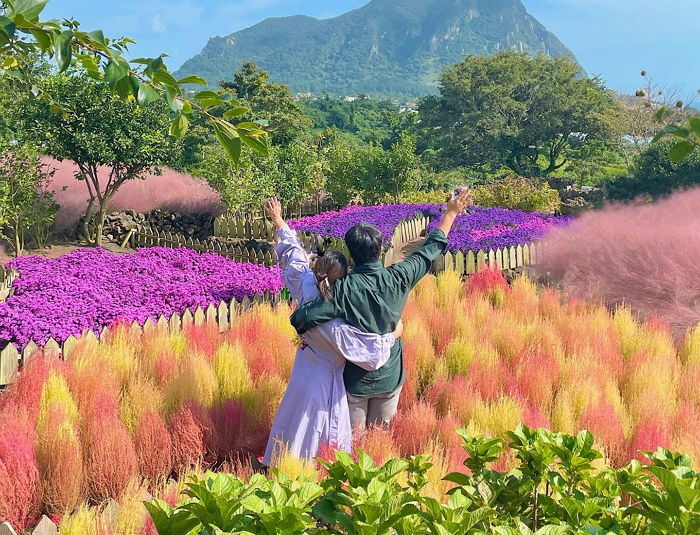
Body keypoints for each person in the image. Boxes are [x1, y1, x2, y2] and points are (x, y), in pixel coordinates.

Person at [291, 190, 473, 430]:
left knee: (352, 448)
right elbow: (430, 249)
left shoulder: (342, 290)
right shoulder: (401, 276)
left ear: (351, 254)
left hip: (354, 380)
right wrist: (451, 213)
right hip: (390, 374)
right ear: (380, 249)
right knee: (381, 440)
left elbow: (301, 318)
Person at [262, 198, 403, 466]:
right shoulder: (334, 325)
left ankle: (283, 467)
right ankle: (308, 474)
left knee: (292, 422)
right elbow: (371, 356)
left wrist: (279, 220)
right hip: (324, 382)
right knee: (316, 433)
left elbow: (293, 256)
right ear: (342, 279)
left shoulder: (305, 284)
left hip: (303, 370)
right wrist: (394, 334)